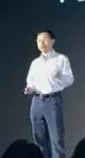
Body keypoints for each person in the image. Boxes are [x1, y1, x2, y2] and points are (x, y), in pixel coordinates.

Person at [24, 30, 74, 158]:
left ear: (52, 41)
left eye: (45, 39)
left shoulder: (61, 59)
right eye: (38, 40)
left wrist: (58, 77)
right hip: (36, 101)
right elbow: (31, 81)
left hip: (52, 100)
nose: (41, 43)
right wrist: (30, 88)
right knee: (39, 138)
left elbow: (69, 79)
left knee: (56, 139)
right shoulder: (35, 63)